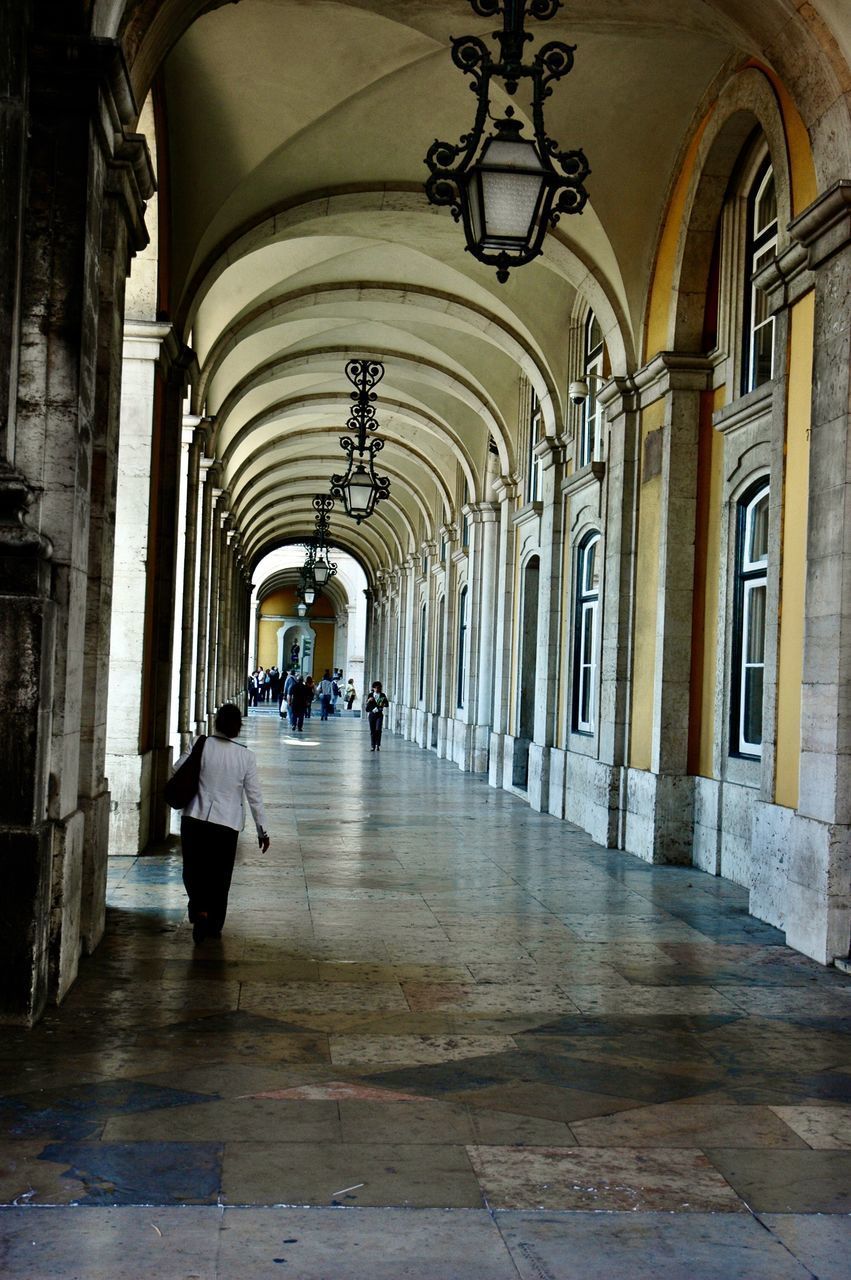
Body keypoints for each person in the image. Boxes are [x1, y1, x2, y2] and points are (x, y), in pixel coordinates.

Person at [174, 702, 270, 945]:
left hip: (194, 816)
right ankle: (214, 921)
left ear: (216, 723)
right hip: (226, 823)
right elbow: (254, 796)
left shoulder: (200, 744)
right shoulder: (245, 756)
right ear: (237, 728)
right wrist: (262, 830)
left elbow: (177, 769)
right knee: (220, 873)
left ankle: (199, 910)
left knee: (193, 869)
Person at [365, 681, 389, 751]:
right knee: (372, 731)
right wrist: (369, 700)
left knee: (378, 729)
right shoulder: (370, 695)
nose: (377, 689)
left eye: (378, 688)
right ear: (373, 688)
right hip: (372, 714)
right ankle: (373, 746)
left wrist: (383, 704)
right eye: (375, 688)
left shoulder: (383, 695)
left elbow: (387, 704)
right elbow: (367, 706)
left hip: (379, 715)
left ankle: (377, 744)